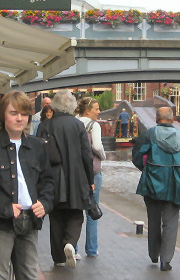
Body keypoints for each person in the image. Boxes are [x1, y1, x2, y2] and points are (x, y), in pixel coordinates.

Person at [0, 91, 54, 280]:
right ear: (3, 115)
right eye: (13, 113)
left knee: (29, 274)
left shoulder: (37, 146)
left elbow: (48, 181)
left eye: (23, 114)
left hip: (30, 220)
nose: (19, 118)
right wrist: (2, 208)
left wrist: (45, 203)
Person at [132, 107, 180, 272]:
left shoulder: (149, 135)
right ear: (172, 118)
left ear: (156, 119)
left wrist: (146, 170)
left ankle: (154, 254)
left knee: (153, 220)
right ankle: (166, 261)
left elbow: (137, 156)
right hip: (175, 185)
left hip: (152, 184)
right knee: (171, 223)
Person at [47, 90, 94, 268]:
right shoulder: (78, 125)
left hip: (53, 179)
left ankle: (58, 258)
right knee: (76, 214)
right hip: (76, 177)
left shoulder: (46, 126)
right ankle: (70, 242)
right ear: (72, 105)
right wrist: (90, 179)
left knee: (56, 216)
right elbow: (86, 155)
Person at [75, 97, 106, 257]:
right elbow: (97, 146)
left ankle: (74, 249)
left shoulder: (74, 122)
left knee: (76, 210)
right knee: (92, 211)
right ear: (88, 110)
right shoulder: (94, 125)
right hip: (92, 172)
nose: (99, 111)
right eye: (96, 108)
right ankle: (92, 249)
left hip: (76, 172)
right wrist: (103, 156)